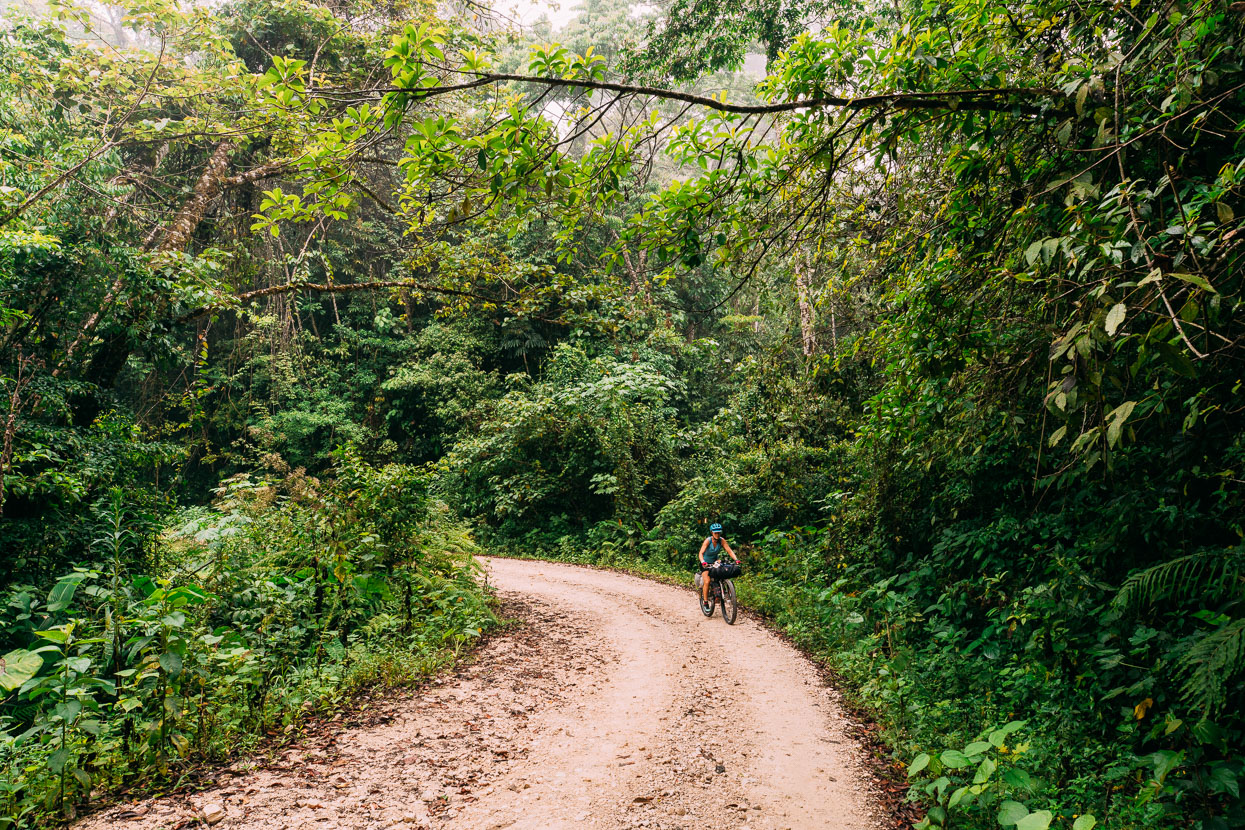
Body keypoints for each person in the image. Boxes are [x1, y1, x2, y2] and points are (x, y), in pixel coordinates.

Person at [698, 523, 739, 606]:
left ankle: (721, 593)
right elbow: (701, 553)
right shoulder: (708, 541)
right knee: (707, 581)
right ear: (712, 533)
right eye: (715, 533)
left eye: (719, 533)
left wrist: (736, 559)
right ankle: (705, 602)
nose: (717, 534)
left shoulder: (722, 540)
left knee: (722, 574)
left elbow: (729, 551)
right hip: (705, 563)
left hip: (715, 562)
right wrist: (703, 562)